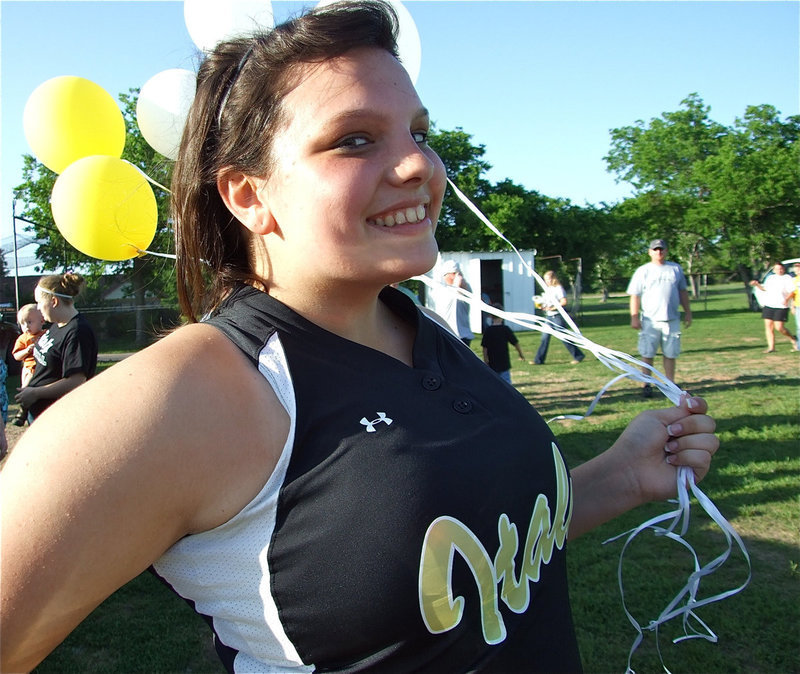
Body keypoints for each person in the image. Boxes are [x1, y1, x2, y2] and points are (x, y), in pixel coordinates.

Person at [1, 3, 719, 672]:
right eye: (353, 140)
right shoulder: (192, 392)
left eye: (419, 133)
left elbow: (461, 561)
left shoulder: (418, 327)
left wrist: (620, 477)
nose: (421, 166)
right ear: (248, 194)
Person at [13, 273, 98, 423]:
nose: (38, 308)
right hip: (39, 413)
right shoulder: (56, 326)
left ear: (54, 301)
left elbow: (76, 381)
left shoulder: (78, 331)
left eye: (39, 302)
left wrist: (36, 393)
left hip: (57, 417)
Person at [627, 239, 692, 398]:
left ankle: (670, 384)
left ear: (666, 251)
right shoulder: (643, 271)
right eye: (655, 250)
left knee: (670, 353)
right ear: (650, 252)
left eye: (661, 249)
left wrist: (688, 312)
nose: (658, 252)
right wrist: (634, 317)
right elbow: (635, 295)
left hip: (671, 319)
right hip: (650, 320)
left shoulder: (675, 269)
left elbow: (683, 292)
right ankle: (646, 384)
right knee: (647, 353)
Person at [533, 270, 585, 366]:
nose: (546, 281)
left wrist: (553, 307)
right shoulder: (547, 289)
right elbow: (547, 302)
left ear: (553, 278)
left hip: (557, 316)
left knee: (564, 337)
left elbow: (564, 302)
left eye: (548, 279)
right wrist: (542, 305)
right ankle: (538, 360)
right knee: (544, 338)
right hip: (549, 316)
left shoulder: (558, 288)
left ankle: (578, 356)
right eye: (545, 279)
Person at [749, 262, 797, 353]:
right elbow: (764, 289)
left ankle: (793, 339)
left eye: (781, 268)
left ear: (784, 269)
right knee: (769, 326)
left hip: (781, 306)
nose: (779, 270)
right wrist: (757, 284)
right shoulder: (770, 278)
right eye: (777, 269)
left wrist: (787, 299)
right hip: (769, 305)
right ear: (774, 270)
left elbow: (792, 291)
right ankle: (771, 347)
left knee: (779, 327)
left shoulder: (787, 278)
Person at [11, 304, 46, 426]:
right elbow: (16, 356)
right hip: (29, 368)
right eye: (22, 324)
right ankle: (22, 411)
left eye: (30, 322)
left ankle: (24, 410)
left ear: (42, 321)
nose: (26, 327)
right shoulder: (23, 339)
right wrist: (27, 351)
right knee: (26, 386)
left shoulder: (46, 334)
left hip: (42, 367)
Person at [481, 304, 527, 384]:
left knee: (493, 382)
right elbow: (515, 343)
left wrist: (485, 360)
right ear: (502, 315)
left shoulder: (488, 330)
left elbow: (485, 347)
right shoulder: (505, 329)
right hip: (504, 362)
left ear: (490, 316)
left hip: (492, 362)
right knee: (506, 382)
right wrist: (520, 354)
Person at [437, 259, 474, 346]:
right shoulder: (445, 289)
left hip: (460, 335)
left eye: (446, 275)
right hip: (446, 333)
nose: (444, 278)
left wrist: (458, 274)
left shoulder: (462, 287)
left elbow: (460, 282)